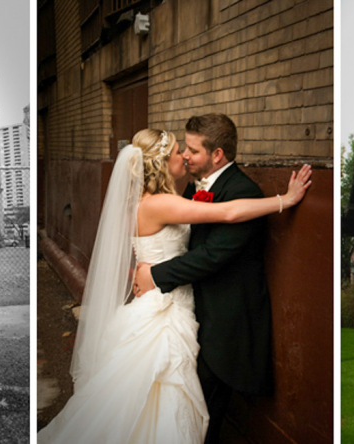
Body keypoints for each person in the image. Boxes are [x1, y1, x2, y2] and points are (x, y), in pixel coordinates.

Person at [37, 128, 311, 443]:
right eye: (179, 151)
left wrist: (148, 269)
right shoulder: (160, 203)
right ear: (163, 163)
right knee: (165, 388)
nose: (184, 156)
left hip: (161, 297)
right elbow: (230, 211)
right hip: (166, 307)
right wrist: (284, 200)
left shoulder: (145, 200)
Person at [134, 114, 278, 442]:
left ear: (217, 155)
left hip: (223, 322)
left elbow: (211, 255)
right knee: (178, 403)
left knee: (201, 413)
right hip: (186, 310)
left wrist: (153, 273)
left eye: (192, 150)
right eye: (181, 149)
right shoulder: (184, 190)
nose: (185, 154)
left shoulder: (243, 192)